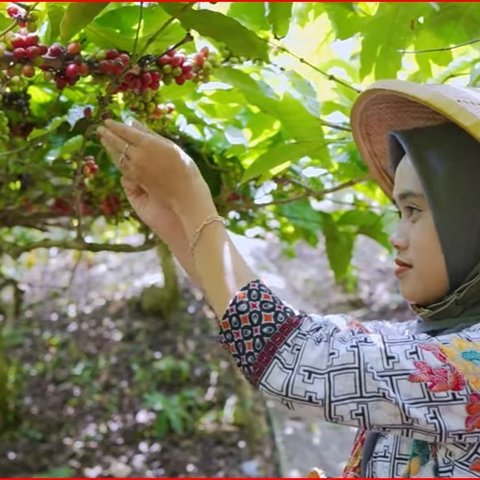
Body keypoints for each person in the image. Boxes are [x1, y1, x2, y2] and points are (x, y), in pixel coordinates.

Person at [97, 80, 480, 478]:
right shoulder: (432, 342)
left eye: (414, 210)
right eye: (399, 212)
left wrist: (190, 196)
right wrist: (174, 221)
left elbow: (289, 354)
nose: (396, 237)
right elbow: (288, 333)